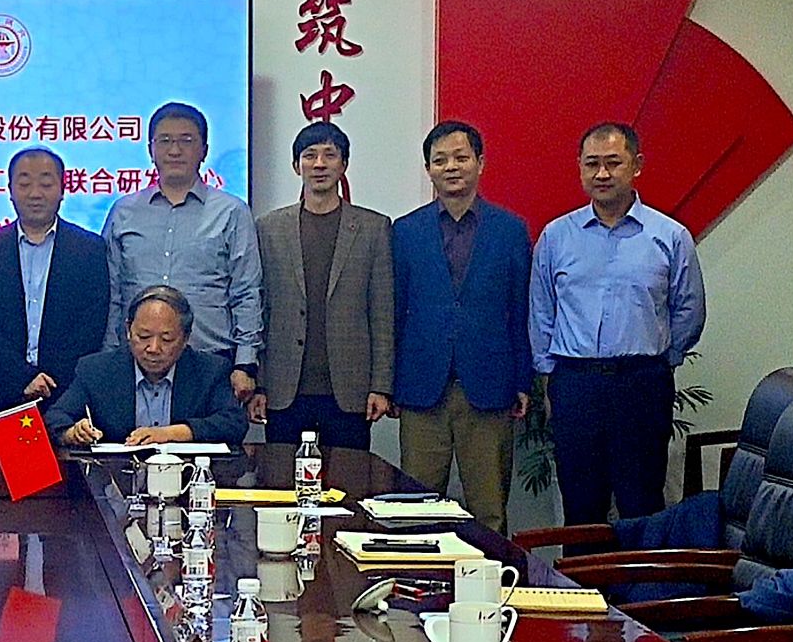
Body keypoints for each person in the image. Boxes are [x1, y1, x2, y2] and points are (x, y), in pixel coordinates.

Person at [530, 121, 706, 524]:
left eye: (613, 162)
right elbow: (541, 312)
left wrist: (662, 359)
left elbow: (689, 309)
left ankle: (638, 571)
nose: (602, 174)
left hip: (641, 382)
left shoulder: (670, 236)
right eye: (592, 164)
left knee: (642, 502)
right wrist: (550, 377)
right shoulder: (557, 236)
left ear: (637, 165)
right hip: (576, 384)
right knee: (580, 506)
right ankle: (583, 570)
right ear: (579, 167)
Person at [391, 121, 533, 533]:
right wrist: (389, 383)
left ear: (480, 163)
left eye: (461, 157)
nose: (451, 167)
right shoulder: (406, 231)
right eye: (440, 160)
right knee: (414, 511)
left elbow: (521, 310)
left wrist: (522, 380)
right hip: (422, 389)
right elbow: (393, 312)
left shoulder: (510, 230)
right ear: (428, 169)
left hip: (489, 387)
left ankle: (489, 576)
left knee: (489, 511)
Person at [102, 102, 262, 405]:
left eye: (186, 140)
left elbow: (246, 292)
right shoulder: (123, 212)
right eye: (165, 140)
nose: (174, 150)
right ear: (151, 150)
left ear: (204, 150)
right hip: (136, 363)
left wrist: (245, 363)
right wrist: (109, 356)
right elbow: (112, 292)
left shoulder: (231, 212)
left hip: (209, 361)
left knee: (206, 435)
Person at [253, 121, 394, 450]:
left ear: (344, 165)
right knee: (281, 477)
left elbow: (382, 312)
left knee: (350, 476)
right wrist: (259, 384)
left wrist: (381, 386)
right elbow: (260, 308)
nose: (319, 164)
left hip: (349, 389)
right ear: (296, 166)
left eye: (330, 155)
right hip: (284, 389)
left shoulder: (373, 228)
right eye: (310, 155)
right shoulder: (269, 228)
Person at [0, 147, 109, 418]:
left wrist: (50, 377)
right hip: (0, 390)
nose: (35, 193)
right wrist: (23, 377)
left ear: (63, 189)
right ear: (10, 190)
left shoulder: (89, 249)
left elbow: (92, 323)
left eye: (46, 183)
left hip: (68, 391)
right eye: (24, 184)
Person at [46, 285, 247, 447]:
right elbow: (55, 418)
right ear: (128, 330)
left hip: (186, 478)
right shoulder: (96, 370)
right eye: (143, 337)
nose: (153, 348)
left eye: (166, 339)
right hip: (117, 479)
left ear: (186, 338)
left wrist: (173, 433)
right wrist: (72, 433)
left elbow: (234, 423)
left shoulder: (210, 370)